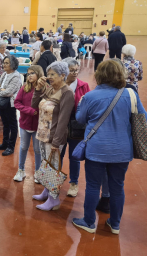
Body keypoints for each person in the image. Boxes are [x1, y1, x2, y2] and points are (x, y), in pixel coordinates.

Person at [72, 60, 147, 234]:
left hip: (96, 149)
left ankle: (89, 222)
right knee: (117, 186)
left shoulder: (90, 96)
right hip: (122, 149)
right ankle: (115, 224)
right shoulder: (130, 95)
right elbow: (142, 118)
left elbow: (80, 119)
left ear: (99, 75)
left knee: (92, 186)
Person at [31, 61, 75, 210]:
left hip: (54, 137)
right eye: (48, 74)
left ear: (63, 75)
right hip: (42, 133)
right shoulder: (50, 89)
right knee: (46, 164)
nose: (49, 77)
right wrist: (37, 89)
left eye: (52, 74)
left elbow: (63, 120)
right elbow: (34, 105)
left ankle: (53, 199)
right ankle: (46, 190)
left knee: (53, 166)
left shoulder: (67, 92)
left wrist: (56, 142)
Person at [59, 58, 90, 197]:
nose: (75, 72)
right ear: (65, 71)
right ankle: (55, 181)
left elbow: (87, 106)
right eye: (72, 70)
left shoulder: (84, 86)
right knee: (57, 155)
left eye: (77, 70)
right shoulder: (58, 85)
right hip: (59, 125)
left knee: (74, 156)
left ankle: (74, 183)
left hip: (76, 125)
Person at [13, 65, 44, 182]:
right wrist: (30, 111)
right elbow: (17, 103)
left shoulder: (44, 89)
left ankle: (38, 172)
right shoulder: (25, 88)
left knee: (37, 149)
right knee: (23, 146)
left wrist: (38, 112)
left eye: (32, 73)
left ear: (39, 74)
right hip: (25, 123)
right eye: (28, 73)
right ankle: (20, 170)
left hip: (38, 125)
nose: (29, 75)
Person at [0, 55, 22, 156]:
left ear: (13, 64)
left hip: (10, 103)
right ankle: (5, 143)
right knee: (5, 123)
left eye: (6, 63)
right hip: (2, 101)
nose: (4, 65)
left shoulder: (16, 76)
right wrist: (0, 90)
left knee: (12, 125)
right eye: (4, 62)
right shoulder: (5, 74)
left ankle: (11, 146)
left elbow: (9, 92)